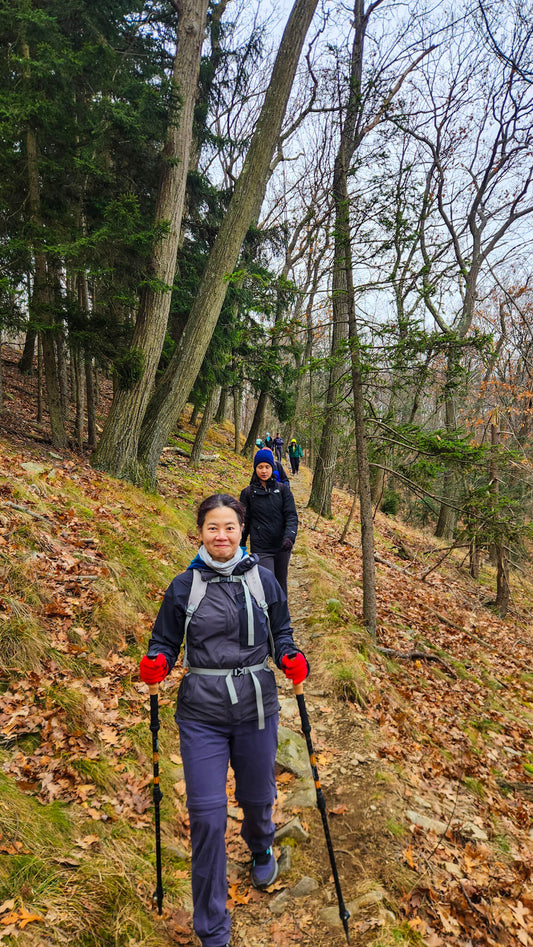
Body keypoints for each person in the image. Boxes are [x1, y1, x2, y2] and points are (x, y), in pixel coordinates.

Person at [138, 494, 309, 947]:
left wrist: (290, 655)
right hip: (202, 714)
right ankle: (212, 927)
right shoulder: (183, 586)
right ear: (200, 532)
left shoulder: (264, 581)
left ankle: (260, 845)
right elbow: (165, 641)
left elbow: (282, 633)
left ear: (241, 531)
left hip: (256, 707)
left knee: (257, 798)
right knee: (208, 817)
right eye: (213, 527)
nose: (222, 535)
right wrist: (158, 659)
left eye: (229, 527)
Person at [240, 448, 297, 597]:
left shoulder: (283, 491)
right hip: (261, 547)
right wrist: (240, 544)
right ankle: (266, 618)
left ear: (273, 468)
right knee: (267, 583)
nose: (264, 471)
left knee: (280, 582)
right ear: (255, 469)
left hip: (282, 546)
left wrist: (289, 537)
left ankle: (282, 618)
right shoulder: (247, 493)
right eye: (260, 467)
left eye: (267, 467)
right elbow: (244, 520)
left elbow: (291, 515)